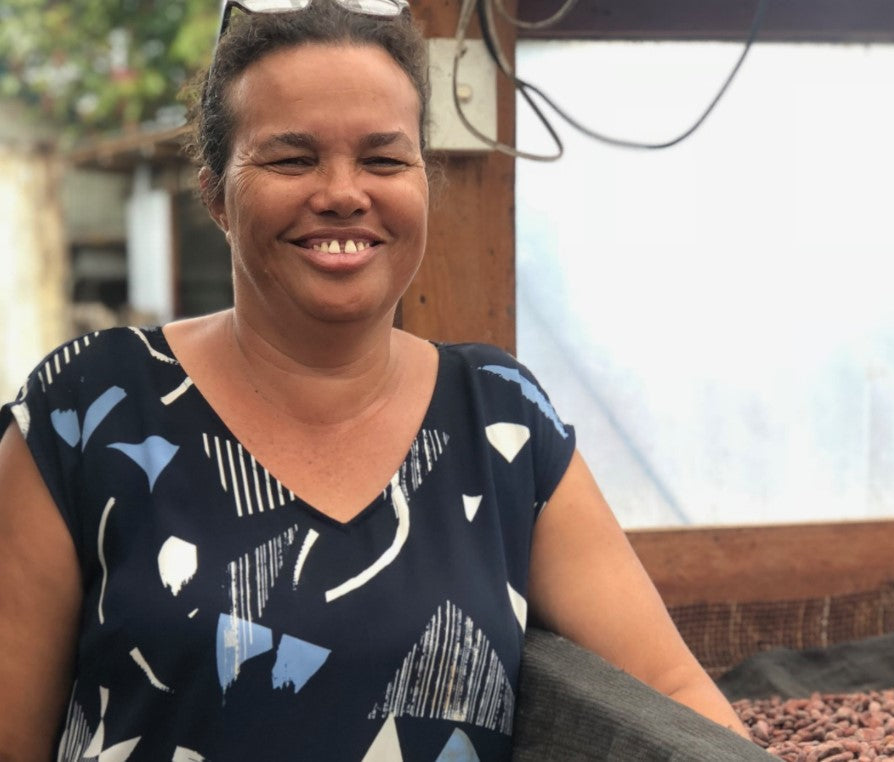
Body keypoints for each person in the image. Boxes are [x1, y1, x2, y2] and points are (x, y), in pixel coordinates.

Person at [0, 1, 753, 759]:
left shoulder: (498, 419)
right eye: (292, 159)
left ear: (423, 181)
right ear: (214, 194)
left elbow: (674, 692)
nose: (342, 191)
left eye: (384, 159)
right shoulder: (91, 409)